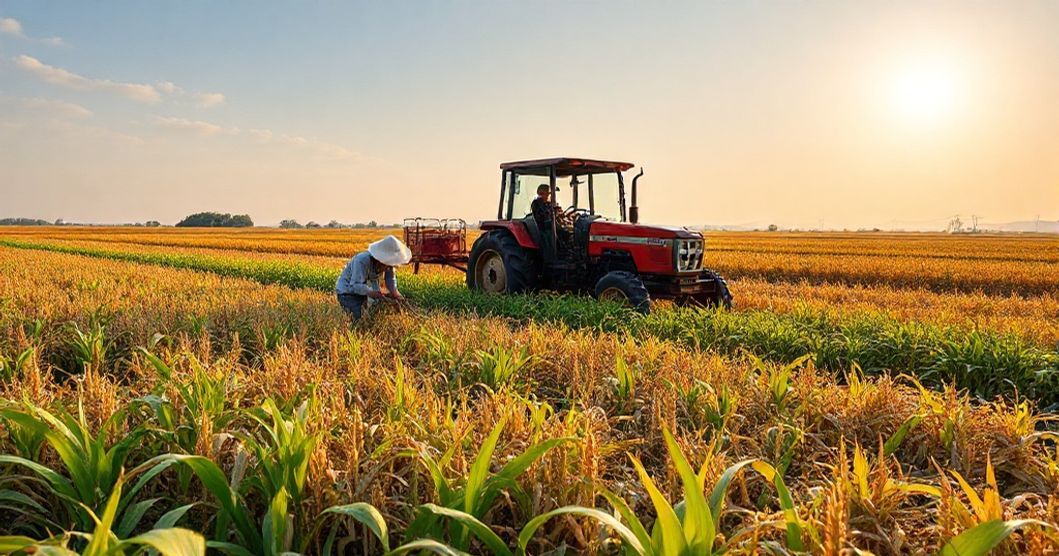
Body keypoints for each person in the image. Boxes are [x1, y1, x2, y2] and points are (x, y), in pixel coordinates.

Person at [335, 235, 412, 321]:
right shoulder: (362, 261)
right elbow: (355, 286)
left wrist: (397, 295)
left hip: (363, 291)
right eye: (387, 265)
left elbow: (390, 280)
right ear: (380, 260)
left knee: (371, 317)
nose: (388, 268)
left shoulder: (388, 265)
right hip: (347, 292)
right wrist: (374, 293)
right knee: (358, 319)